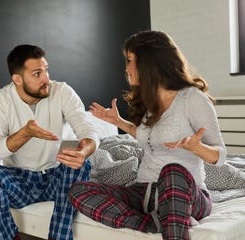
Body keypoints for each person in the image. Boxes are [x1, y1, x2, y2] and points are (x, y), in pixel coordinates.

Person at [68, 30, 227, 240]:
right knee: (79, 190)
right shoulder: (148, 100)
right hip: (143, 192)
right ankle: (151, 223)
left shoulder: (192, 99)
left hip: (184, 193)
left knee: (172, 171)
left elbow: (220, 155)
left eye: (130, 60)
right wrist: (119, 123)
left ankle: (173, 222)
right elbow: (149, 137)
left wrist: (197, 148)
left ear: (149, 62)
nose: (126, 68)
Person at [0, 44, 99, 240]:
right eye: (37, 74)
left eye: (46, 70)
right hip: (20, 182)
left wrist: (83, 152)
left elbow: (88, 131)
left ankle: (59, 236)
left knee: (82, 164)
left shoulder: (62, 91)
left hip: (56, 178)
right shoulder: (0, 99)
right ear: (18, 79)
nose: (46, 79)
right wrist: (25, 133)